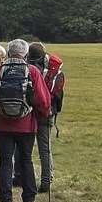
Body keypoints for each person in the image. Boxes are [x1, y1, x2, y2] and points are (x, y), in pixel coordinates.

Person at [0, 39, 46, 202]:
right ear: (25, 54)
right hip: (26, 125)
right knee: (26, 160)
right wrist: (42, 115)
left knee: (5, 162)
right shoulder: (32, 71)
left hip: (3, 125)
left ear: (9, 53)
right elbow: (42, 100)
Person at [32, 42, 66, 193]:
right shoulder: (55, 70)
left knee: (22, 147)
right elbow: (58, 94)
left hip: (28, 111)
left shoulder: (29, 68)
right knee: (45, 148)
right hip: (47, 111)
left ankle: (19, 176)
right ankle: (46, 180)